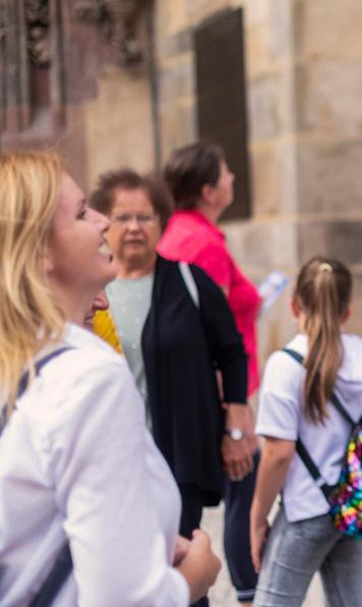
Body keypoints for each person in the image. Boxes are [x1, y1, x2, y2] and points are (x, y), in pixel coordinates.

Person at [0, 151, 221, 605]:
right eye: (82, 213)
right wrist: (194, 577)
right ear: (40, 249)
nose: (104, 222)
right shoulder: (88, 379)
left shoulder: (22, 359)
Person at [88, 169, 254, 605]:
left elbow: (232, 352)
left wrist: (236, 421)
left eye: (146, 216)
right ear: (103, 223)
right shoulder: (91, 292)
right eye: (123, 217)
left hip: (177, 455)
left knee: (178, 556)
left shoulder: (188, 282)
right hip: (113, 457)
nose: (134, 228)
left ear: (162, 220)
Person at [157, 143, 261, 603]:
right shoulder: (202, 245)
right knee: (243, 495)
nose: (233, 178)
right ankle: (248, 591)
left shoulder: (180, 234)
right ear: (208, 190)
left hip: (202, 396)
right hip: (220, 399)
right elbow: (208, 338)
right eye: (226, 173)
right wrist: (232, 420)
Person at [250, 256, 362, 607]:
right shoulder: (359, 353)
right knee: (349, 601)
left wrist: (257, 518)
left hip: (305, 509)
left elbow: (277, 455)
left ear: (294, 305)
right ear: (346, 312)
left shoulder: (284, 365)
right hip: (350, 503)